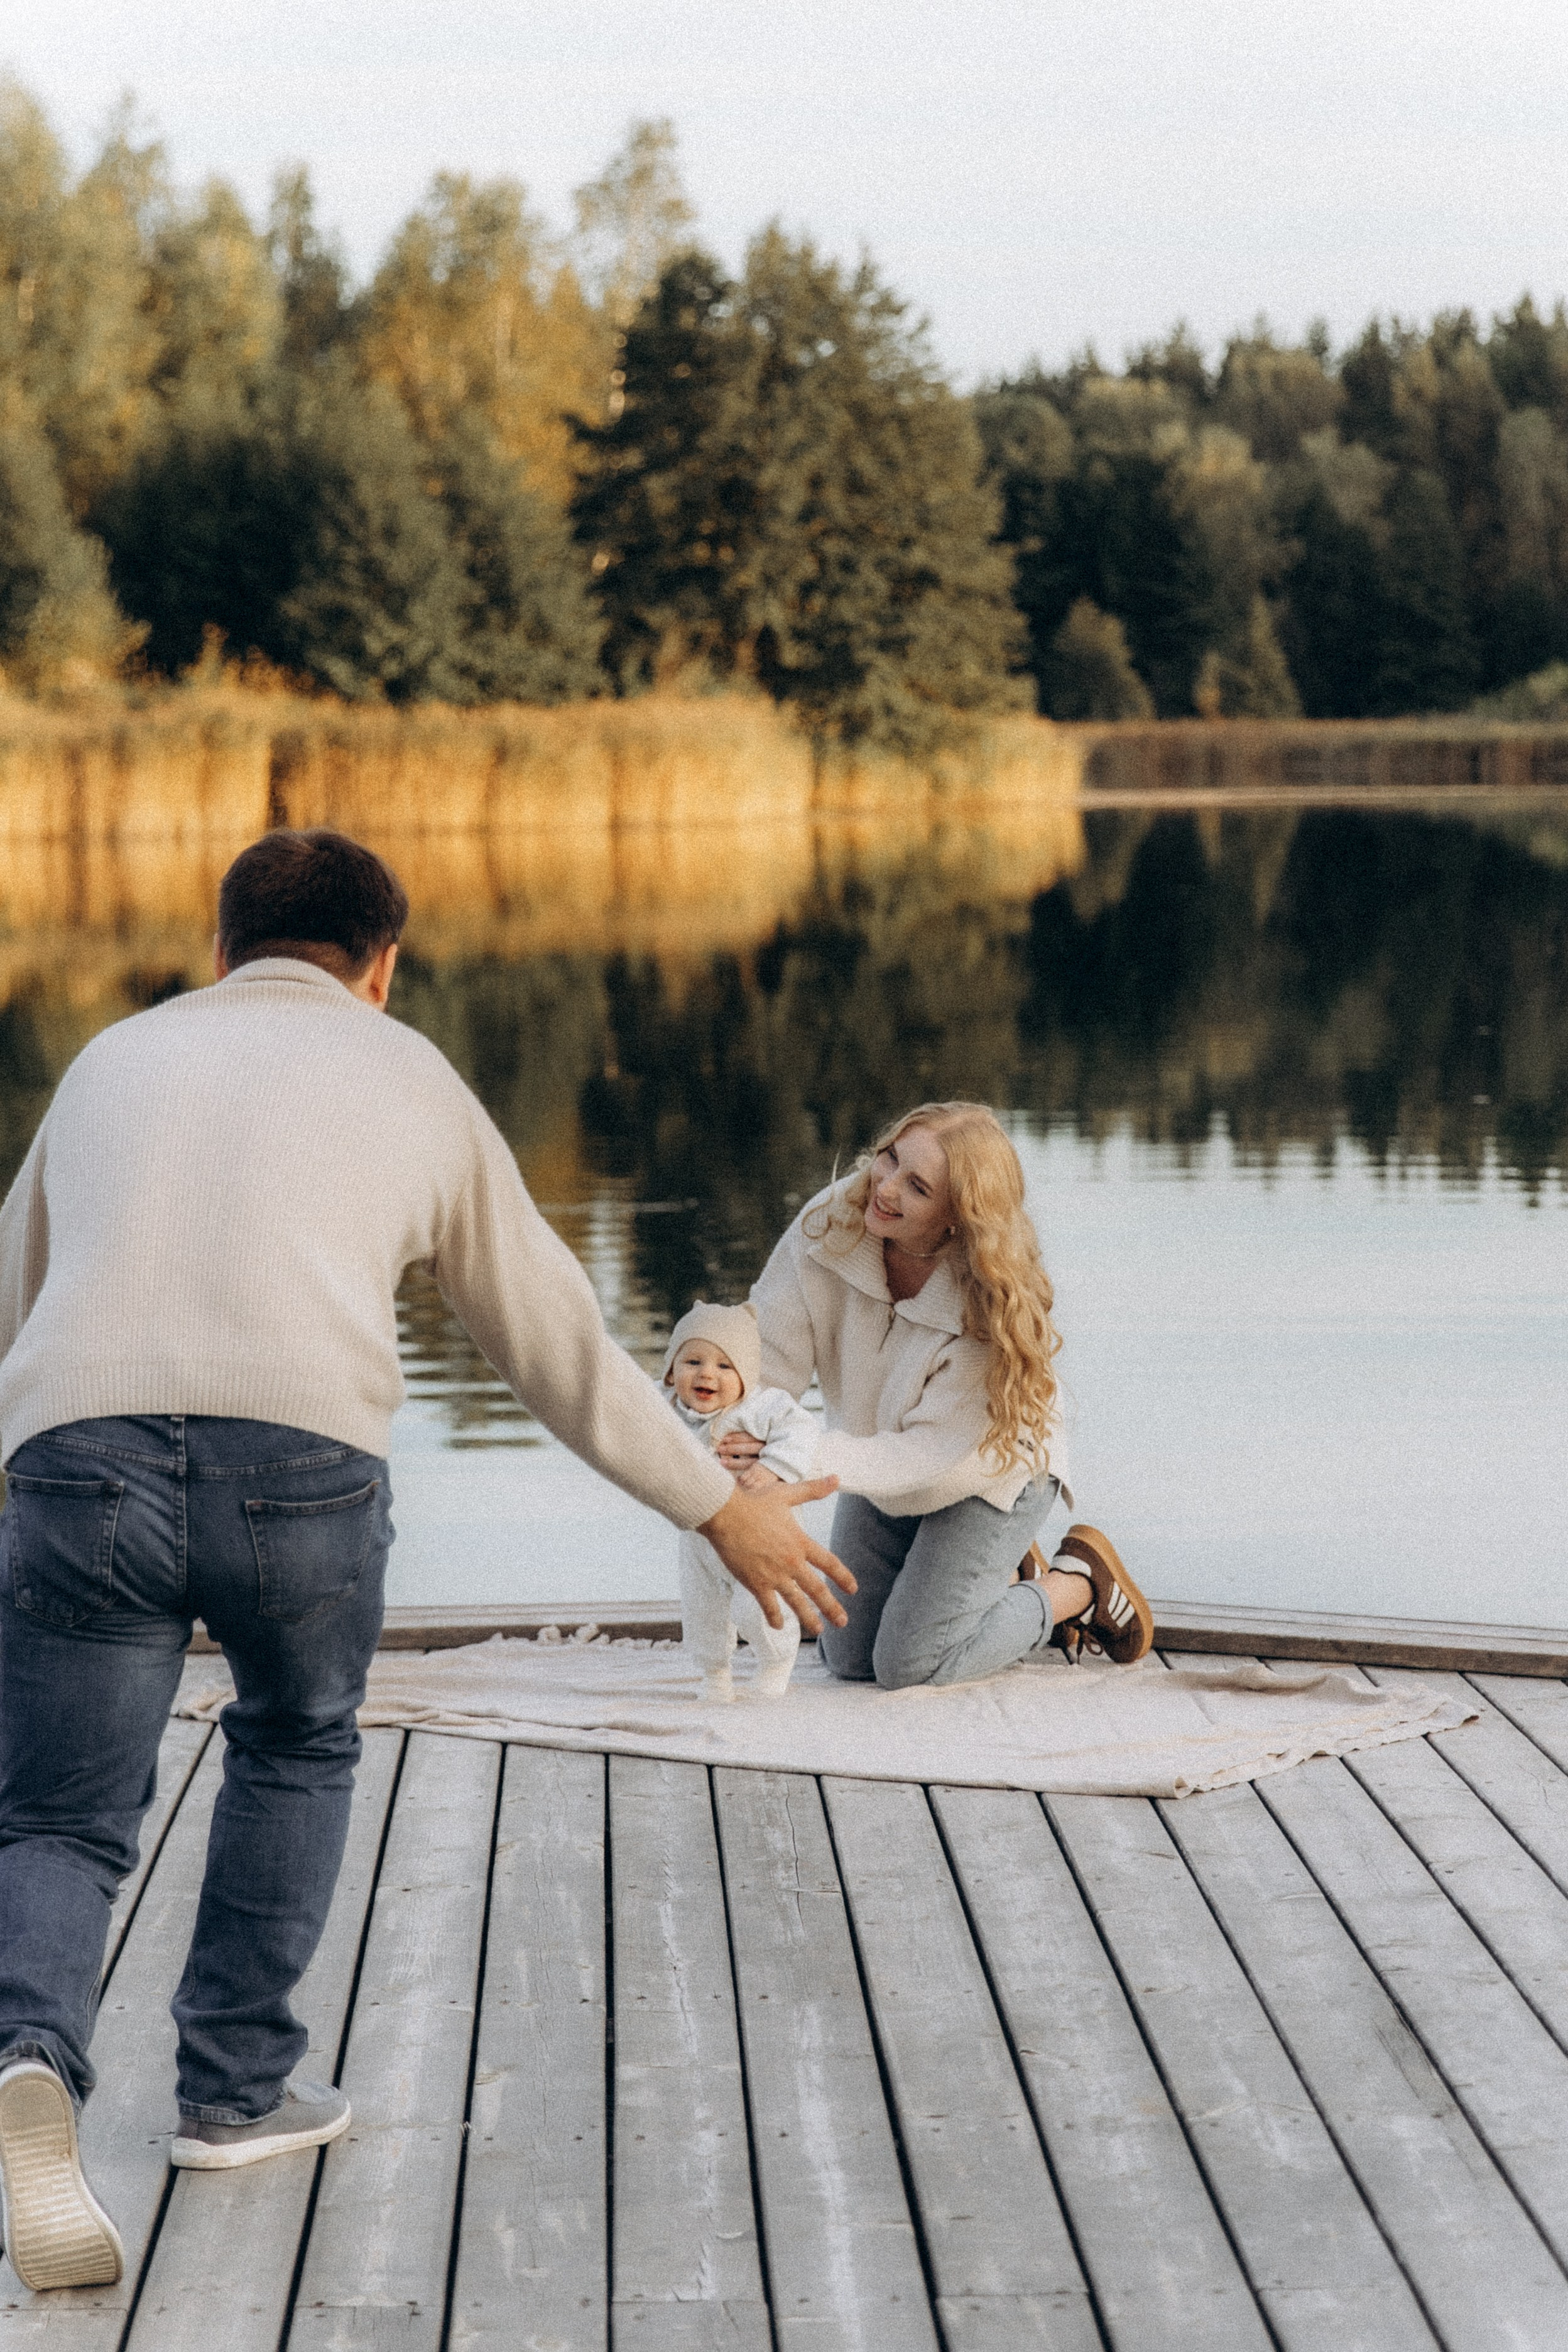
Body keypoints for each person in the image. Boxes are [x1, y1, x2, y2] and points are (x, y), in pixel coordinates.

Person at [0, 829, 850, 2294]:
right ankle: (235, 2090)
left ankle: (27, 2053)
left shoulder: (111, 1061)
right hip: (299, 1459)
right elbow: (550, 1339)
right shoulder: (409, 1077)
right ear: (380, 967)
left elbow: (10, 1290)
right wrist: (716, 1508)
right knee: (292, 1735)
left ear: (220, 948)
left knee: (62, 1813)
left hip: (79, 1450)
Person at [723, 1101, 1152, 1690]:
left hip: (990, 1471)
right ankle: (992, 1577)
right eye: (891, 1158)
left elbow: (928, 1458)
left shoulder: (986, 1301)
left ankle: (1077, 1585)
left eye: (917, 1187)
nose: (886, 1188)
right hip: (878, 1463)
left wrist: (797, 1457)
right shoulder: (828, 1227)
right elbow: (771, 1360)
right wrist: (742, 1433)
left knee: (910, 1665)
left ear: (955, 1217)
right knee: (847, 1658)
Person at [662, 1301, 819, 1700]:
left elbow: (803, 1433)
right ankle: (714, 1674)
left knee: (759, 1607)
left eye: (725, 1366)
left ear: (746, 1375)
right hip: (699, 1538)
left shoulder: (764, 1408)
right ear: (670, 1370)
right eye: (692, 1361)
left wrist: (775, 1465)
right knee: (702, 1611)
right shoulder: (666, 1413)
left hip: (761, 1532)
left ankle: (776, 1660)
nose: (707, 1373)